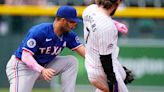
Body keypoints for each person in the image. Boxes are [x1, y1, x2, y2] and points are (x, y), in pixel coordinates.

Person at [6, 6, 85, 92]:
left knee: (71, 61)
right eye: (72, 21)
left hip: (44, 65)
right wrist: (42, 70)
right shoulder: (40, 31)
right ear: (63, 20)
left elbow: (85, 52)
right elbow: (25, 56)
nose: (75, 24)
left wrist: (98, 63)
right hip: (22, 67)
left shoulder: (69, 35)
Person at [82, 0, 133, 92]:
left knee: (123, 75)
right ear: (117, 2)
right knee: (117, 80)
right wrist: (112, 78)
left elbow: (98, 20)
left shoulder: (89, 9)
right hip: (101, 71)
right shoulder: (108, 27)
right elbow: (105, 58)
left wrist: (116, 24)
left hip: (90, 64)